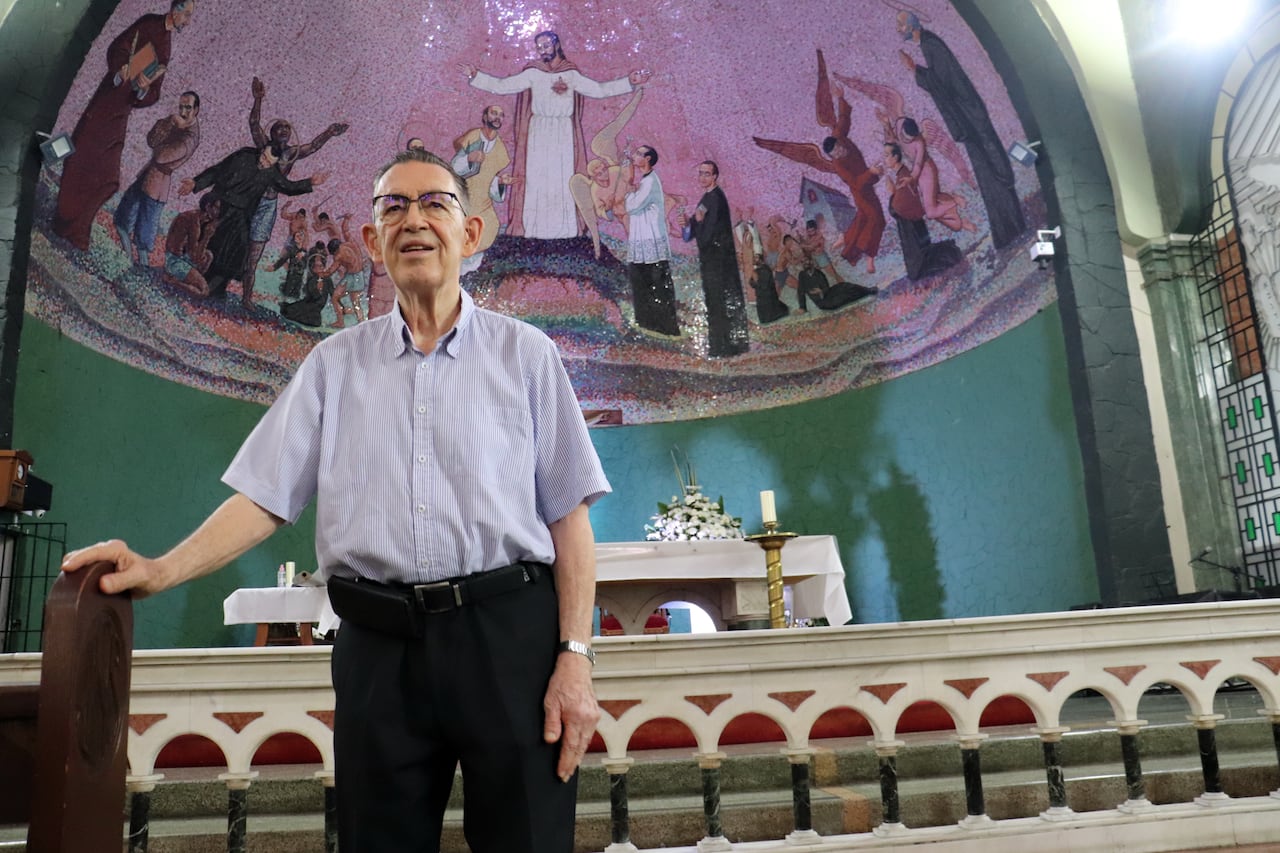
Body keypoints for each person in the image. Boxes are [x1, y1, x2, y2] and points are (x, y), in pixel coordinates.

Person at [62, 147, 611, 853]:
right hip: (379, 650)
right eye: (393, 207)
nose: (414, 219)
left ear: (470, 233)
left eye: (435, 203)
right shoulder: (333, 366)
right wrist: (160, 570)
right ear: (372, 242)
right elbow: (264, 495)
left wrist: (575, 655)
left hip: (509, 640)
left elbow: (570, 517)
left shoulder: (527, 355)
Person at [461, 30, 651, 239]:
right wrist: (475, 76)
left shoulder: (570, 74)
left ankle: (565, 231)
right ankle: (535, 230)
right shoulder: (533, 73)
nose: (542, 50)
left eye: (546, 45)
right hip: (538, 133)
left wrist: (629, 82)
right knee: (537, 178)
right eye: (539, 47)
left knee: (563, 179)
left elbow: (599, 89)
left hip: (563, 134)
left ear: (556, 45)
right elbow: (502, 86)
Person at [52, 0, 195, 250]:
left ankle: (76, 229)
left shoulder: (167, 44)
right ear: (176, 9)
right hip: (105, 103)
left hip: (121, 114)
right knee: (80, 161)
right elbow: (119, 47)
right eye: (187, 15)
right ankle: (67, 224)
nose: (188, 21)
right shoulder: (150, 23)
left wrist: (143, 88)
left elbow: (154, 92)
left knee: (108, 178)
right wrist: (122, 69)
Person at [897, 10, 1025, 248]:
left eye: (901, 24)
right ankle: (1007, 229)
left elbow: (947, 85)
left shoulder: (931, 45)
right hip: (969, 119)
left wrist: (914, 70)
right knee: (986, 176)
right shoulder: (929, 45)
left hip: (971, 120)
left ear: (912, 25)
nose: (898, 29)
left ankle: (1010, 228)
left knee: (989, 173)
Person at [243, 76, 349, 307]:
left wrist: (329, 133)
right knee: (238, 241)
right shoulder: (264, 146)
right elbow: (253, 123)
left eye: (287, 128)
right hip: (251, 199)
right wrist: (258, 99)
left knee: (256, 250)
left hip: (268, 204)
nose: (283, 130)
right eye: (279, 127)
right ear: (271, 133)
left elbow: (312, 147)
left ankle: (246, 298)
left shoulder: (291, 154)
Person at [180, 142, 327, 300]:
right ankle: (189, 276)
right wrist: (196, 183)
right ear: (262, 151)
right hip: (221, 207)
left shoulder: (271, 172)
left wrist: (310, 182)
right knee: (209, 243)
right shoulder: (244, 156)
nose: (264, 163)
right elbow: (218, 170)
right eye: (264, 158)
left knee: (237, 252)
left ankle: (216, 288)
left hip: (242, 216)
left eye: (269, 162)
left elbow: (287, 187)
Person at [113, 90, 201, 265]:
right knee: (122, 220)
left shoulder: (190, 137)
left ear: (196, 110)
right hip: (146, 177)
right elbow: (152, 140)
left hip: (157, 187)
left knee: (143, 238)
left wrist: (167, 133)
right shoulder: (175, 123)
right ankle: (127, 259)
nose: (183, 112)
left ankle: (141, 270)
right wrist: (169, 122)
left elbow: (161, 156)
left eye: (188, 108)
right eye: (181, 107)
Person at [679, 161, 749, 357]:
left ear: (715, 176)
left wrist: (697, 224)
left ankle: (724, 347)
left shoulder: (716, 198)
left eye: (707, 174)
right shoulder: (706, 198)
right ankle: (722, 345)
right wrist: (688, 224)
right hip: (712, 260)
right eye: (700, 173)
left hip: (719, 261)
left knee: (720, 301)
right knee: (716, 301)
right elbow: (696, 226)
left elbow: (708, 232)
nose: (703, 177)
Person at [622, 145, 680, 336]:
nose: (635, 156)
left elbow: (632, 206)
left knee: (657, 284)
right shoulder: (645, 182)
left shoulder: (650, 182)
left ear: (647, 159)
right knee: (641, 281)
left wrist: (629, 189)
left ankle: (665, 327)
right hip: (642, 241)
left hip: (651, 242)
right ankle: (648, 323)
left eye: (639, 154)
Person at [451, 105, 517, 253]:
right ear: (485, 117)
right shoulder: (473, 136)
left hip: (484, 205)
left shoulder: (500, 149)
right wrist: (469, 158)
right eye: (494, 113)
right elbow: (453, 168)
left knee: (487, 232)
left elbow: (488, 180)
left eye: (501, 115)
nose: (497, 117)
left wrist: (500, 182)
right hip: (463, 199)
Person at [160, 192, 218, 296]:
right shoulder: (193, 222)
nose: (218, 212)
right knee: (204, 292)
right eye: (216, 208)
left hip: (180, 257)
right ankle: (173, 281)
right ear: (208, 206)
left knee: (208, 255)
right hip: (174, 262)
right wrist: (207, 237)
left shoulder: (197, 217)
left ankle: (188, 279)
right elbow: (195, 257)